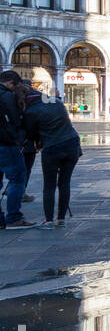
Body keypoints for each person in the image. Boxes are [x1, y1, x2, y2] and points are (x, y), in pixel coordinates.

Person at [24, 86, 82, 228]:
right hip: (72, 144)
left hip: (52, 147)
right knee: (64, 182)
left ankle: (49, 220)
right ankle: (61, 218)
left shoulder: (31, 111)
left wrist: (38, 141)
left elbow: (30, 135)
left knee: (49, 186)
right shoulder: (56, 102)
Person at [0, 71, 34, 229]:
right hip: (6, 144)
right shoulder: (7, 96)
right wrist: (19, 139)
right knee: (18, 178)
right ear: (11, 83)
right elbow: (16, 121)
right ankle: (14, 217)